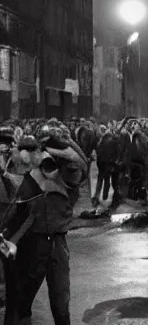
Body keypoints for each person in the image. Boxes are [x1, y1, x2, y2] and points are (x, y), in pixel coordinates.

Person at [1, 136, 86, 325]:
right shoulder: (32, 177)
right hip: (32, 243)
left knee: (60, 302)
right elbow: (17, 201)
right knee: (22, 301)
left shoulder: (67, 178)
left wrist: (63, 147)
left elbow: (80, 165)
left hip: (56, 242)